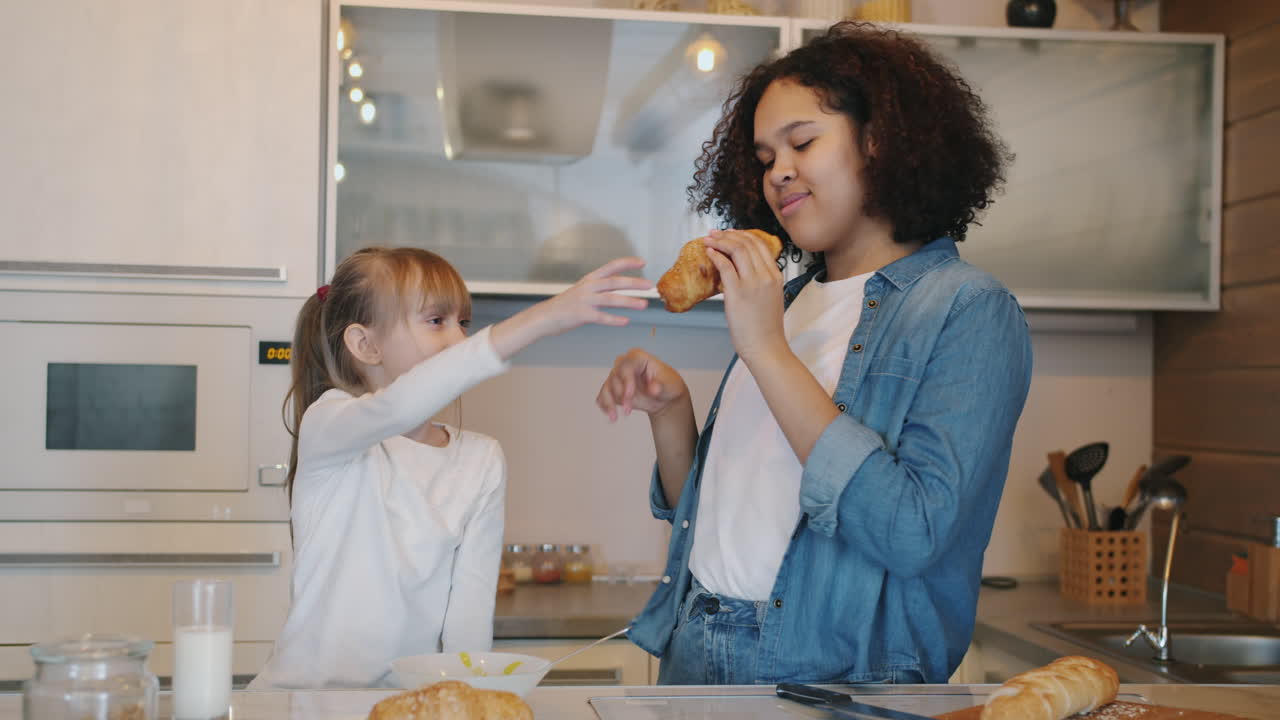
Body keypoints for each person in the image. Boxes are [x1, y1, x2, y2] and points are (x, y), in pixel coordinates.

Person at [595, 21, 1033, 685]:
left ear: (881, 141)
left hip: (828, 680)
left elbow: (912, 532)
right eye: (766, 157)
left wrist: (766, 351)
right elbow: (720, 513)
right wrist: (672, 411)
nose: (779, 173)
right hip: (694, 646)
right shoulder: (789, 298)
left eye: (802, 142)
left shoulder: (967, 309)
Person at [250, 246, 649, 689]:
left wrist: (470, 698)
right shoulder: (329, 424)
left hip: (407, 706)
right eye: (436, 321)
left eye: (464, 323)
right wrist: (544, 318)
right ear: (366, 344)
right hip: (303, 706)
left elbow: (469, 621)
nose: (459, 340)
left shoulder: (481, 459)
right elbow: (400, 406)